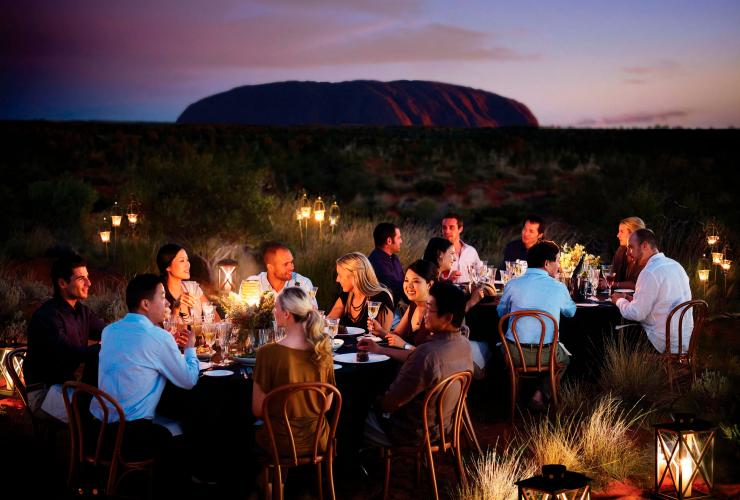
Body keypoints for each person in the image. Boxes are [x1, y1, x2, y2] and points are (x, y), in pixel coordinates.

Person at [91, 274, 198, 452]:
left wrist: (166, 342)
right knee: (189, 421)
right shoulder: (158, 337)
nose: (168, 303)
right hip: (131, 437)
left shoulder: (109, 331)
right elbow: (188, 380)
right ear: (145, 304)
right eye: (163, 297)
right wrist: (190, 349)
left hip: (97, 431)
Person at [363, 282, 473, 447]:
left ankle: (350, 468)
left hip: (411, 433)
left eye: (429, 309)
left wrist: (369, 400)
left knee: (352, 414)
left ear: (448, 318)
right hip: (444, 427)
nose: (424, 315)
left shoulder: (427, 354)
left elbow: (390, 404)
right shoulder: (464, 345)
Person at [251, 287, 335, 456]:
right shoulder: (323, 349)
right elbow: (326, 405)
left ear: (287, 314)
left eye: (276, 308)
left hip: (279, 441)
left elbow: (258, 409)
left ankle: (271, 481)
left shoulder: (267, 353)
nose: (274, 312)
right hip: (317, 438)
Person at [24, 253, 105, 421]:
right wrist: (101, 348)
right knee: (99, 413)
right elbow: (68, 353)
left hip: (68, 386)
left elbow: (107, 332)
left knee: (111, 403)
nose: (89, 283)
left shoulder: (82, 311)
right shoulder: (47, 316)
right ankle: (86, 446)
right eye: (81, 278)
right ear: (62, 283)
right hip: (45, 394)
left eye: (88, 277)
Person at [497, 240, 575, 410]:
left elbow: (501, 313)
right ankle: (541, 394)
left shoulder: (512, 284)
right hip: (548, 355)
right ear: (547, 264)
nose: (559, 266)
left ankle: (510, 398)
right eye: (557, 261)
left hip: (515, 355)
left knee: (499, 349)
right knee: (565, 360)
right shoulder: (559, 287)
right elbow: (571, 313)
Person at [611, 228, 693, 354]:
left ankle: (622, 372)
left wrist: (619, 300)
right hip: (684, 340)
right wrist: (631, 300)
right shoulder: (676, 265)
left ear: (644, 246)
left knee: (613, 328)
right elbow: (662, 304)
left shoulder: (650, 272)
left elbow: (636, 314)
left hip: (662, 343)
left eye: (631, 247)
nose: (628, 252)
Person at [361, 260, 437, 362]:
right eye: (406, 280)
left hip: (421, 370)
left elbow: (430, 356)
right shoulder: (413, 305)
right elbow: (397, 335)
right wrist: (380, 331)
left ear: (430, 284)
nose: (409, 286)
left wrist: (404, 345)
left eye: (415, 281)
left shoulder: (435, 312)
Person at [327, 252, 394, 331]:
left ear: (355, 275)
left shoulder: (381, 297)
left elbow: (384, 336)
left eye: (340, 275)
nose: (337, 279)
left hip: (373, 343)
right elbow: (330, 320)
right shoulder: (346, 295)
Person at [247, 242, 317, 307]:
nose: (292, 267)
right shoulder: (252, 284)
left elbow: (313, 315)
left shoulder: (303, 283)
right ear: (270, 267)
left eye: (291, 262)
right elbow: (243, 313)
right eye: (286, 264)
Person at [157, 244, 213, 324]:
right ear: (168, 267)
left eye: (187, 260)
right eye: (182, 261)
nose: (188, 265)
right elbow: (167, 331)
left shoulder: (193, 288)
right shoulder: (160, 296)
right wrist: (176, 307)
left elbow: (214, 316)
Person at [367, 223, 404, 305]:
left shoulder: (394, 258)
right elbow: (392, 286)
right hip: (384, 309)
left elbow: (402, 280)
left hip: (396, 305)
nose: (401, 241)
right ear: (389, 241)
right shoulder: (376, 262)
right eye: (399, 238)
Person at [441, 213, 481, 283]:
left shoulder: (471, 251)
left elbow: (480, 275)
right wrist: (447, 280)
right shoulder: (434, 250)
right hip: (445, 293)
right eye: (444, 227)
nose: (447, 231)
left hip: (468, 293)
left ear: (460, 229)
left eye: (451, 227)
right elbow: (425, 278)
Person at [610, 216, 646, 290]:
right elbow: (612, 274)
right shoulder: (621, 251)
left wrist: (613, 284)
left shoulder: (644, 254)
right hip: (619, 297)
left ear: (633, 233)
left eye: (622, 231)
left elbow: (637, 284)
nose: (617, 235)